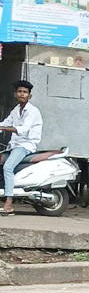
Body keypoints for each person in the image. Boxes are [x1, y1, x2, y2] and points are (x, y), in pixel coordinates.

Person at [0, 80, 43, 215]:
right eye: (19, 91)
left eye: (25, 92)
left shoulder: (32, 111)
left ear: (29, 96)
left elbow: (23, 130)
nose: (22, 94)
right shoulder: (16, 110)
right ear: (15, 94)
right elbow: (6, 123)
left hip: (25, 145)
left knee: (8, 167)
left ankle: (8, 204)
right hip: (14, 145)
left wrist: (4, 127)